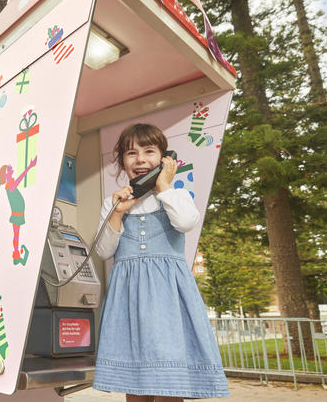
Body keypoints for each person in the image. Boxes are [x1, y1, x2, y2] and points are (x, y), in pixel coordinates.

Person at [92, 124, 229, 401]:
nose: (140, 159)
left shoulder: (175, 196)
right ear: (123, 163)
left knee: (170, 383)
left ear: (165, 160)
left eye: (149, 151)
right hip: (129, 300)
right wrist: (117, 213)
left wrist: (164, 184)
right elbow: (104, 250)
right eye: (131, 153)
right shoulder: (114, 203)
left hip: (169, 301)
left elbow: (187, 222)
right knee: (136, 382)